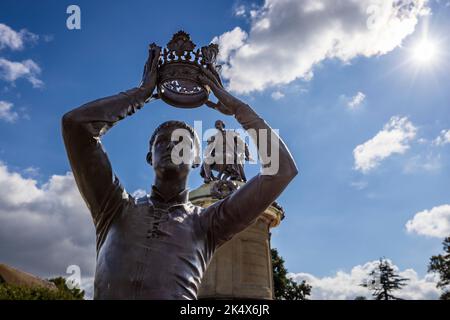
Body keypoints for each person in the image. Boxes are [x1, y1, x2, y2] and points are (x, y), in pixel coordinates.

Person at [61, 44, 298, 299]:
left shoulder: (206, 223)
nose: (172, 146)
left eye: (183, 143)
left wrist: (240, 110)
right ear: (150, 156)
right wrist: (139, 95)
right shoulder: (114, 208)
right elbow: (76, 126)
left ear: (198, 159)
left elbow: (281, 170)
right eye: (163, 141)